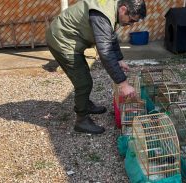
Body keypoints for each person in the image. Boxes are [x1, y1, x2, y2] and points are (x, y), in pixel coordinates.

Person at [46, 0, 146, 134]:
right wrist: (123, 84)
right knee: (83, 83)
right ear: (123, 9)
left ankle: (85, 104)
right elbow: (105, 52)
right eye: (131, 20)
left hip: (70, 37)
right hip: (61, 39)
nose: (130, 24)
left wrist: (119, 59)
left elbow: (111, 36)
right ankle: (81, 120)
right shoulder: (102, 15)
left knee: (83, 75)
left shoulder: (112, 8)